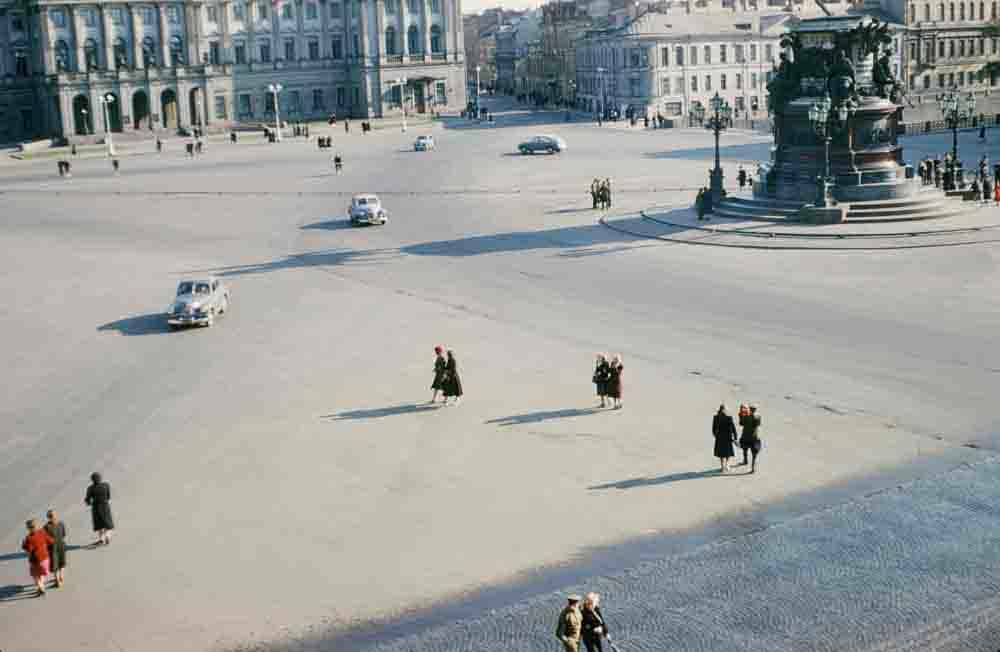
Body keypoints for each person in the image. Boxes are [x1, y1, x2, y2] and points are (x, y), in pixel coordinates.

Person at [22, 519, 54, 597]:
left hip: (35, 560)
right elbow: (51, 541)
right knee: (42, 574)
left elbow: (29, 550)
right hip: (45, 558)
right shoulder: (42, 532)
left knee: (35, 575)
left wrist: (24, 544)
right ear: (36, 525)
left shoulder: (29, 538)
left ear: (28, 528)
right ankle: (41, 586)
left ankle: (41, 588)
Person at [85, 472, 114, 545]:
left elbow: (87, 499)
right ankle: (107, 536)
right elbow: (108, 496)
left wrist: (89, 503)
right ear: (100, 478)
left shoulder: (90, 488)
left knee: (100, 525)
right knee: (109, 525)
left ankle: (101, 539)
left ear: (92, 480)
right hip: (105, 506)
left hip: (96, 508)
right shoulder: (106, 485)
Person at [44, 509, 67, 588]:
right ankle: (61, 577)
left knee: (55, 565)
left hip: (52, 548)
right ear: (56, 515)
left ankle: (57, 581)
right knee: (62, 562)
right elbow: (64, 534)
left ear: (48, 517)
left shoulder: (46, 527)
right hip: (61, 545)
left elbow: (45, 540)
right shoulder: (61, 523)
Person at [712, 404, 738, 472]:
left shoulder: (716, 417)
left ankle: (723, 467)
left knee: (721, 453)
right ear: (725, 410)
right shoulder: (729, 417)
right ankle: (727, 465)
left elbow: (714, 429)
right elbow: (733, 428)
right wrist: (735, 437)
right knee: (728, 452)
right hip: (727, 437)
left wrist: (716, 435)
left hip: (720, 437)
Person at [739, 404, 762, 473]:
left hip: (746, 436)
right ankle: (753, 468)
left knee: (745, 449)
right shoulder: (758, 416)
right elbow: (758, 425)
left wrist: (741, 415)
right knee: (754, 453)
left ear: (750, 409)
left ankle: (745, 461)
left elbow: (741, 423)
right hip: (755, 437)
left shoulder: (746, 416)